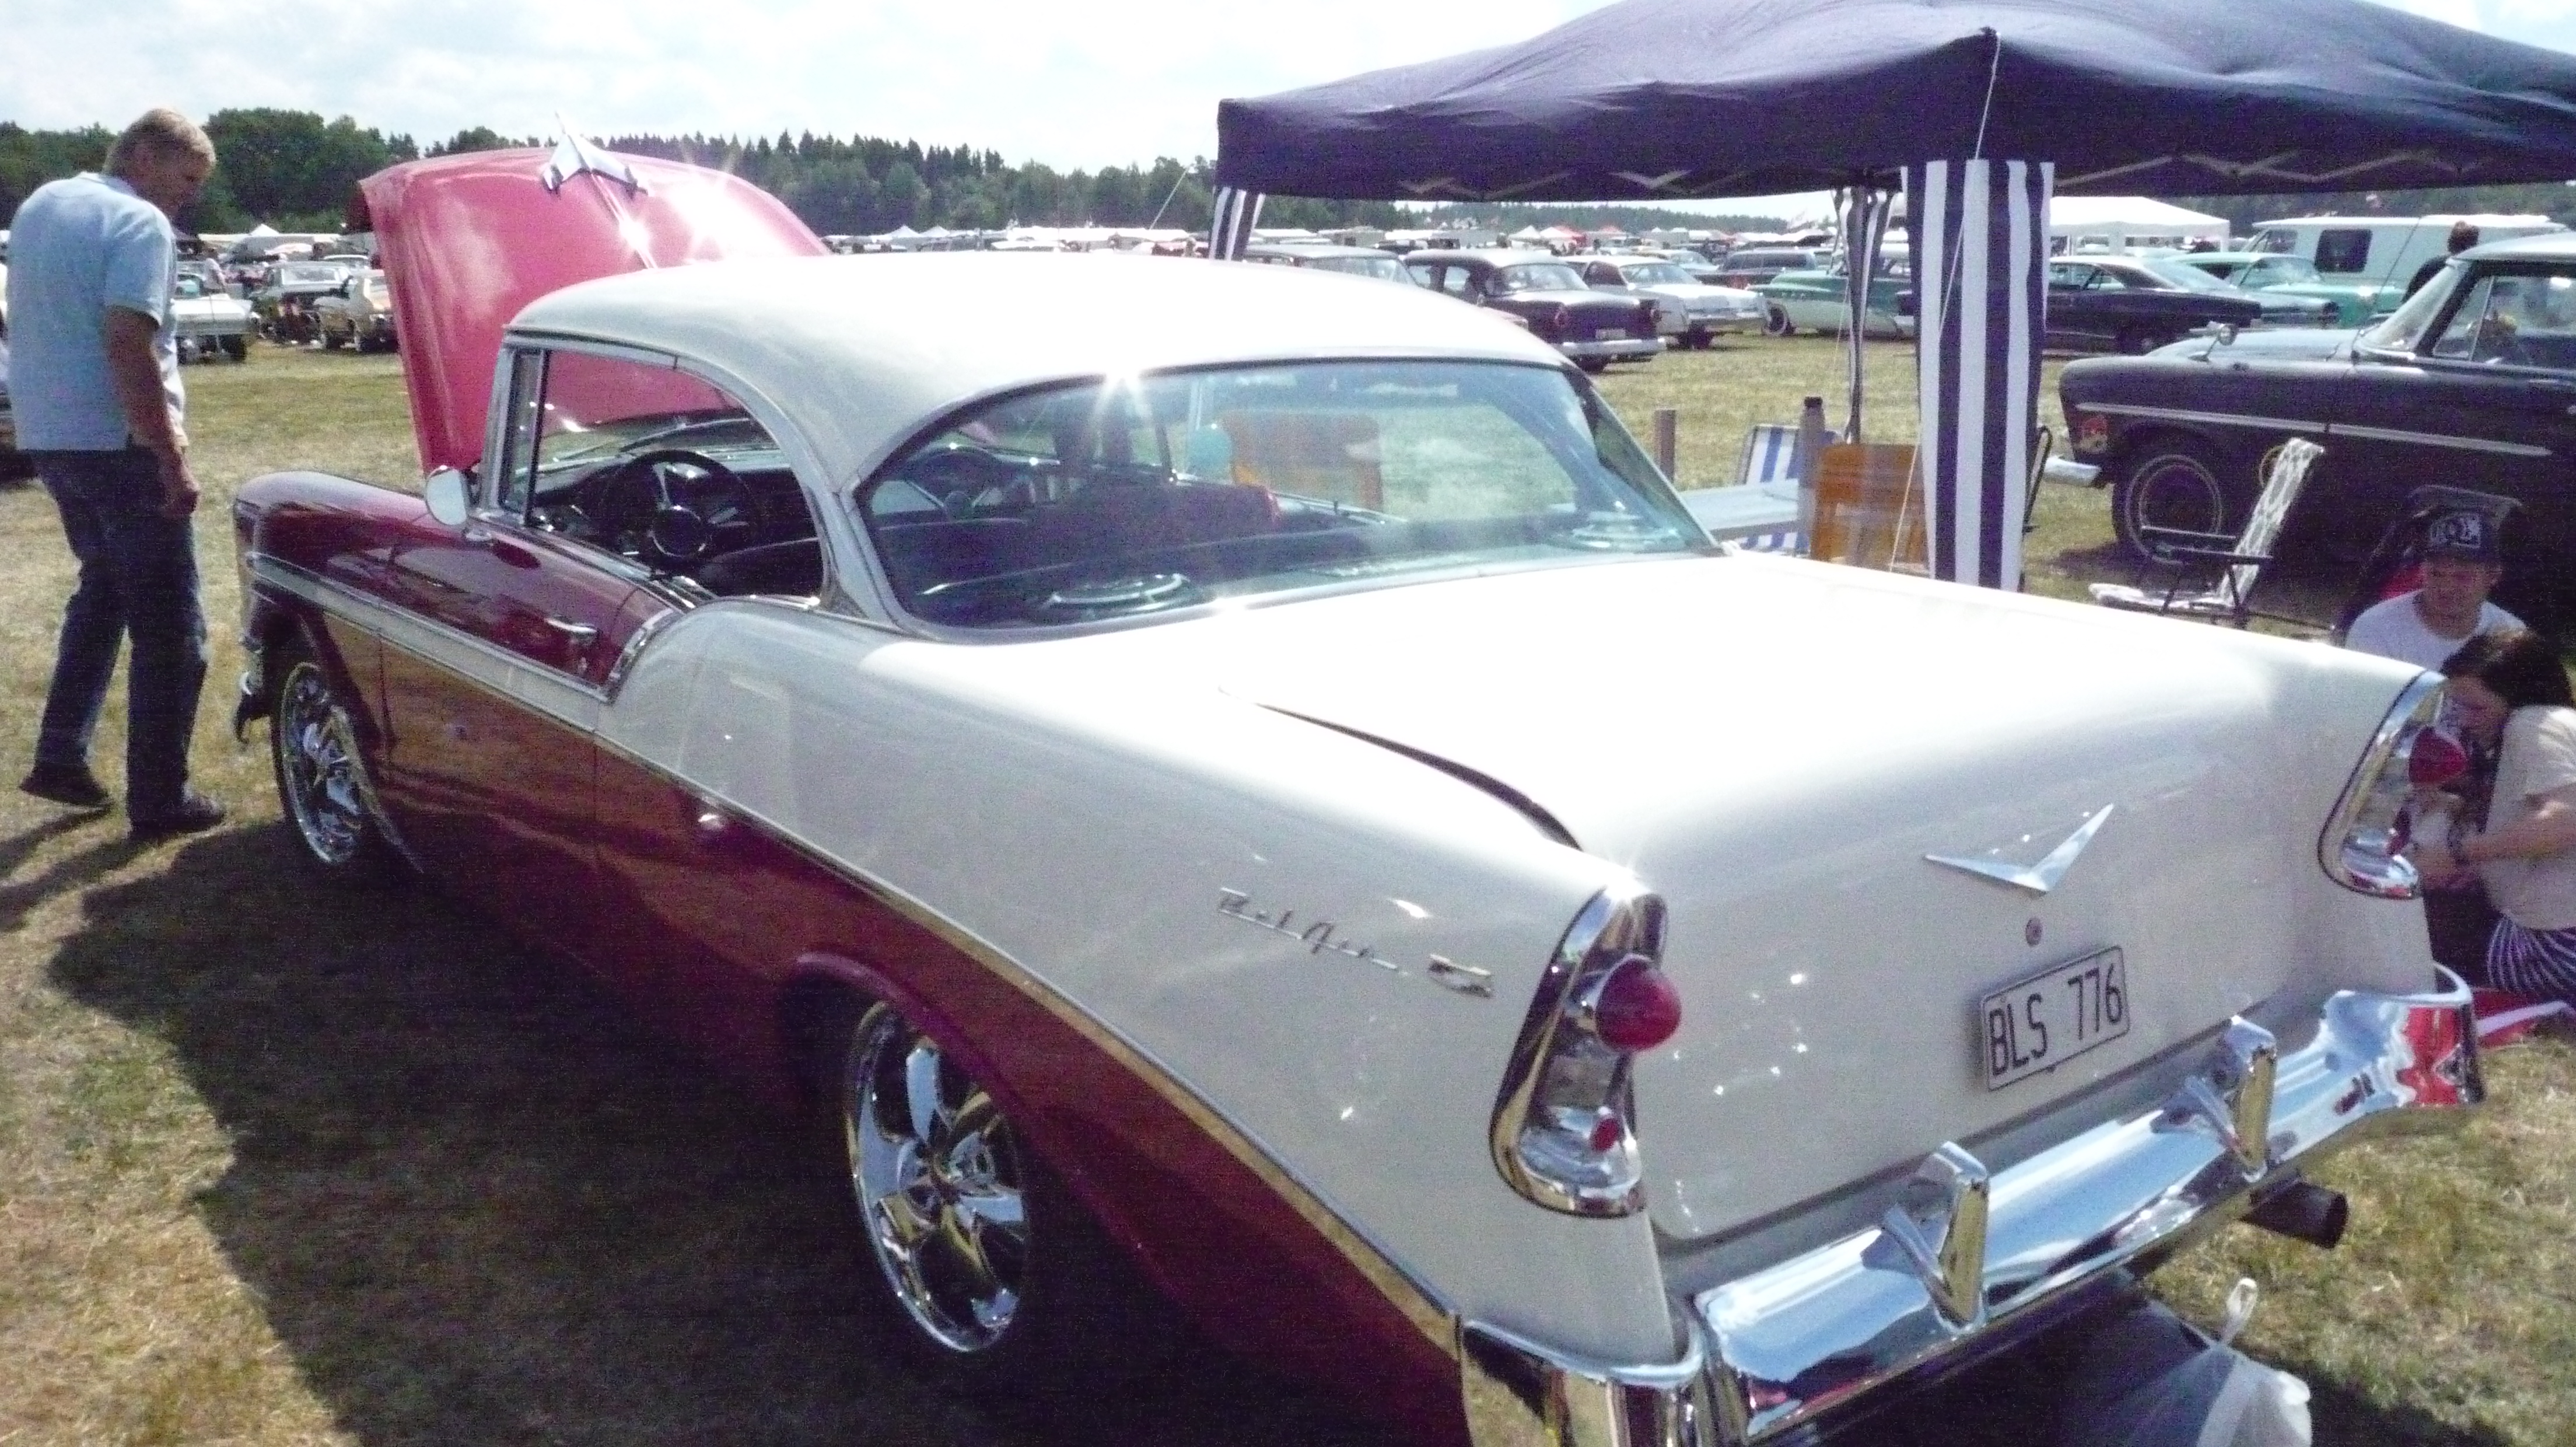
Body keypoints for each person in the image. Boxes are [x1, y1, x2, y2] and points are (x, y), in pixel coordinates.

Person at [4, 109, 225, 839]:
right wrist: (170, 455)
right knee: (172, 629)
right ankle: (160, 797)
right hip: (116, 443)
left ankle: (61, 753)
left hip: (51, 437)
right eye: (186, 178)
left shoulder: (44, 204)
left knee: (103, 590)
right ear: (145, 158)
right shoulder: (140, 224)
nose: (189, 196)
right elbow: (129, 342)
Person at [2411, 630, 2576, 1002]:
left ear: (2520, 696)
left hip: (2554, 949)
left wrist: (2457, 855)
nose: (2465, 721)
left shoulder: (2532, 724)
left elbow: (2567, 821)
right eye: (2459, 707)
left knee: (2394, 922)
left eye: (2477, 708)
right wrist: (2479, 869)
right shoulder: (2558, 723)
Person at [2342, 504, 2523, 672]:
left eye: (2462, 577)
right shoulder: (2376, 629)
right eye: (2436, 574)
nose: (2446, 588)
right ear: (2422, 571)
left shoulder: (2510, 635)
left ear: (2493, 576)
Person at [2404, 220, 2479, 300]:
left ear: (2450, 243)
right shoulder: (2478, 268)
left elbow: (2409, 299)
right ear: (2474, 245)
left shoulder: (2431, 267)